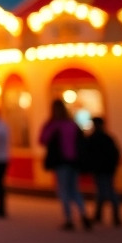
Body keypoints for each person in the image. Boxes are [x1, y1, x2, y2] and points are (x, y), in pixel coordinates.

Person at [39, 99, 91, 231]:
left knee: (64, 190)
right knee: (74, 189)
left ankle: (69, 219)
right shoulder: (72, 124)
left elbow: (42, 140)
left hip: (62, 162)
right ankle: (83, 214)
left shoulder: (53, 125)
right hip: (74, 162)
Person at [83, 116, 122, 227]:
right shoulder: (107, 138)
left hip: (101, 169)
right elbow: (116, 153)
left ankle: (104, 215)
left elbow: (88, 153)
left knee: (105, 191)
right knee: (106, 190)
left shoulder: (94, 138)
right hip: (107, 169)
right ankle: (110, 215)